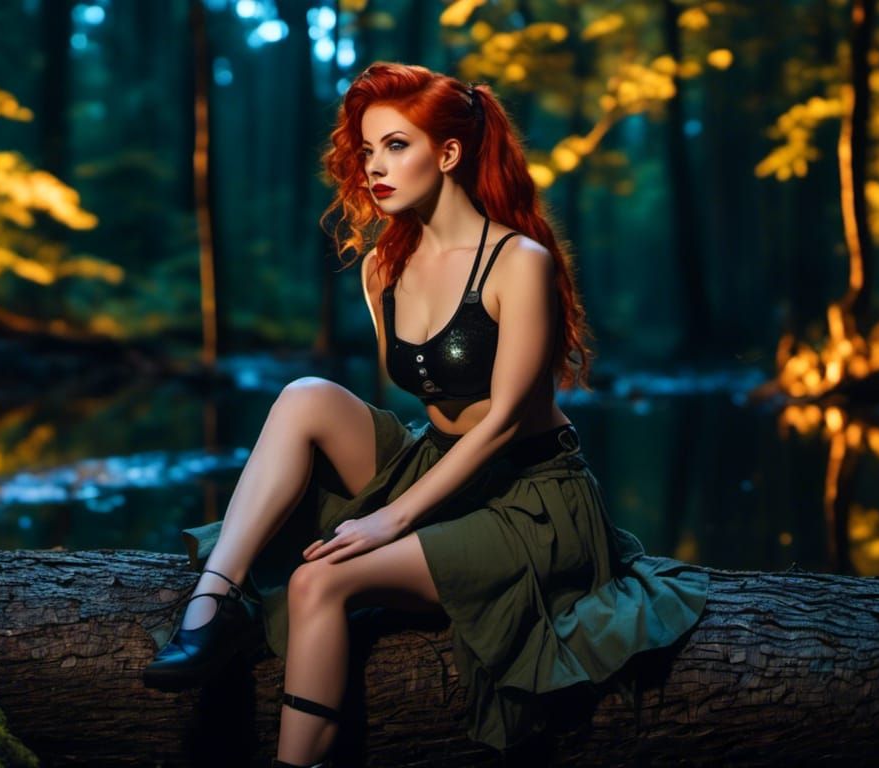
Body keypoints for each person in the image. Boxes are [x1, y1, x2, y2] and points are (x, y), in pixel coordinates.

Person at [142, 61, 709, 768]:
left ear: (448, 153)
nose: (375, 167)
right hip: (435, 462)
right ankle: (212, 605)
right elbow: (427, 402)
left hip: (528, 498)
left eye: (396, 146)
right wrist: (399, 495)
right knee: (304, 396)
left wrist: (391, 517)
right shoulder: (384, 267)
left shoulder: (519, 262)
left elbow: (501, 421)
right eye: (367, 150)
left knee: (320, 578)